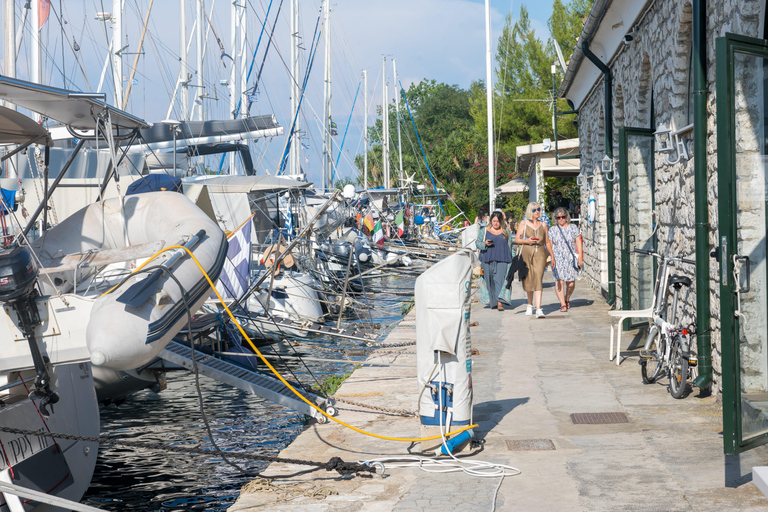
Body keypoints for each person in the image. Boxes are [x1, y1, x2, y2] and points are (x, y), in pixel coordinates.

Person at [516, 201, 550, 318]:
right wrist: (527, 241)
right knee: (528, 279)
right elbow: (517, 239)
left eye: (538, 209)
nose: (537, 212)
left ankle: (539, 309)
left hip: (540, 253)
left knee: (538, 278)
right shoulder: (523, 223)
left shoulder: (544, 225)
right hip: (526, 252)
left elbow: (547, 242)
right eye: (534, 210)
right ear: (530, 211)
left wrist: (551, 256)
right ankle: (530, 305)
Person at [547, 207, 584, 312]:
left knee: (571, 283)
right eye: (558, 217)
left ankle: (567, 298)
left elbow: (578, 242)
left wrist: (580, 256)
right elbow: (549, 244)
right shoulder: (553, 230)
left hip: (570, 258)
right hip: (557, 258)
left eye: (563, 217)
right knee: (559, 282)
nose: (561, 219)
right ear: (555, 218)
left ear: (566, 217)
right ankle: (563, 304)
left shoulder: (573, 228)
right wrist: (549, 257)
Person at [476, 211, 514, 311]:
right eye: (494, 221)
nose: (496, 223)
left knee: (501, 281)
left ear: (501, 221)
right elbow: (477, 243)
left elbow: (510, 246)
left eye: (497, 221)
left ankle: (500, 302)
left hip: (503, 259)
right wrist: (485, 244)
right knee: (489, 281)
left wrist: (513, 259)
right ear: (491, 221)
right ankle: (493, 302)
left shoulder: (506, 232)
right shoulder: (484, 231)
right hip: (487, 259)